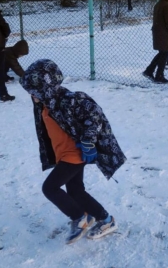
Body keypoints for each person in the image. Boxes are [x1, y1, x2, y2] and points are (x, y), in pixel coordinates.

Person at [20, 59, 126, 244]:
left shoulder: (69, 99)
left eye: (34, 90)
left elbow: (94, 114)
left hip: (75, 154)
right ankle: (106, 221)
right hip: (64, 155)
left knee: (50, 188)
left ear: (46, 87)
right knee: (76, 191)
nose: (30, 93)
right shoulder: (44, 103)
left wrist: (88, 142)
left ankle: (79, 218)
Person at [143, 0, 168, 84]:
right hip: (165, 34)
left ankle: (149, 71)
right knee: (165, 53)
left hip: (158, 33)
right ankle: (159, 75)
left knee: (162, 53)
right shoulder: (167, 6)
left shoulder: (159, 4)